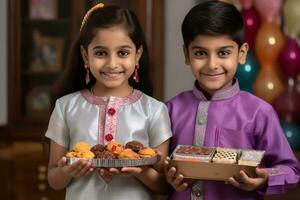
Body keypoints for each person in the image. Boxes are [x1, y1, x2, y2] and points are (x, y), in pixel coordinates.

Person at [164, 1, 300, 200]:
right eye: (200, 53)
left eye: (224, 53)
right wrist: (167, 179)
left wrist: (265, 178)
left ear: (241, 53)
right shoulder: (170, 109)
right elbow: (159, 170)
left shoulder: (259, 112)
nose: (212, 64)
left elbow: (291, 170)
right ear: (187, 54)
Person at [45, 3, 172, 200]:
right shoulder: (65, 107)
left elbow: (164, 186)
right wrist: (67, 171)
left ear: (137, 55)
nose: (112, 64)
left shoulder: (154, 110)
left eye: (123, 53)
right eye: (101, 53)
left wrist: (140, 171)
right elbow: (53, 180)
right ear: (85, 55)